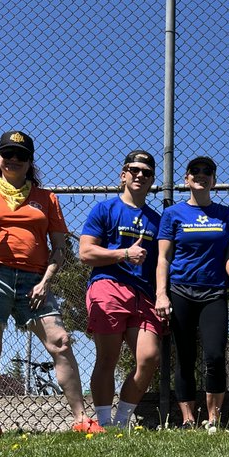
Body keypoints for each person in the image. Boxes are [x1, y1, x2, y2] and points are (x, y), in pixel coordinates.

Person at [0, 130, 101, 445]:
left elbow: (60, 249)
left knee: (61, 342)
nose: (13, 159)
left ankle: (81, 419)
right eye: (7, 154)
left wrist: (45, 282)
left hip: (34, 280)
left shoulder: (46, 198)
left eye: (20, 155)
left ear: (29, 161)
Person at [79, 149, 164, 429]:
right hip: (109, 287)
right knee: (107, 357)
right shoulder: (105, 209)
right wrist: (124, 254)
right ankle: (104, 422)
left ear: (152, 180)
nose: (140, 175)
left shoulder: (157, 219)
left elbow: (163, 260)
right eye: (134, 169)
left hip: (144, 295)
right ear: (123, 175)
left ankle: (122, 421)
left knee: (149, 357)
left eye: (147, 172)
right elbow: (85, 252)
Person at [155, 156, 229, 430]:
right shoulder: (173, 214)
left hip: (214, 293)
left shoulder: (225, 214)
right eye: (196, 171)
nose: (201, 175)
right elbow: (163, 259)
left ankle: (213, 419)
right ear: (187, 178)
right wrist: (161, 294)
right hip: (181, 292)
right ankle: (188, 419)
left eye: (208, 172)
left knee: (215, 355)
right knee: (185, 356)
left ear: (214, 180)